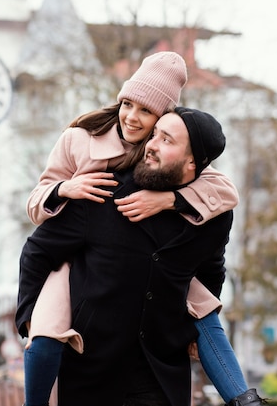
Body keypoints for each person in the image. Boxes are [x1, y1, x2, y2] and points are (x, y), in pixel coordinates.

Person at [21, 52, 262, 406]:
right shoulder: (82, 144)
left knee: (201, 304)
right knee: (44, 333)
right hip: (76, 263)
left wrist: (173, 201)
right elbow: (38, 222)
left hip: (157, 352)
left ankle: (244, 399)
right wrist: (64, 189)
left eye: (148, 115)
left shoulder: (189, 188)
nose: (134, 119)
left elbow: (222, 199)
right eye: (128, 105)